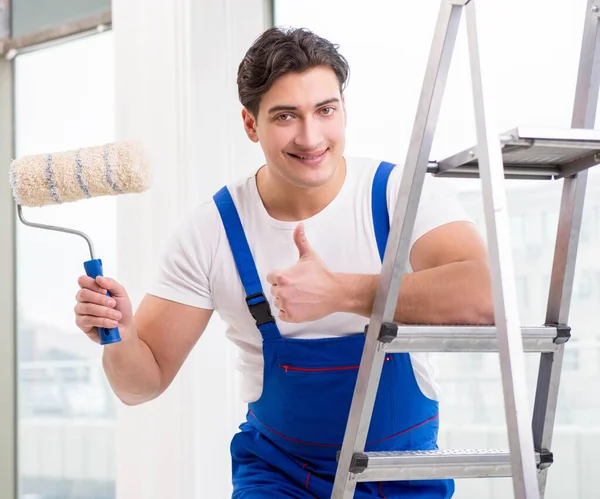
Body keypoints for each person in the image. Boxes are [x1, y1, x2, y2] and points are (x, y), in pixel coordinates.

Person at [74, 26, 493, 499]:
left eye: (325, 110)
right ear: (251, 125)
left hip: (400, 475)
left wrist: (343, 293)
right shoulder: (212, 231)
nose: (311, 137)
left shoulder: (399, 196)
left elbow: (486, 296)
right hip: (280, 478)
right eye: (286, 116)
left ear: (343, 110)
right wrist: (121, 336)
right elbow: (140, 385)